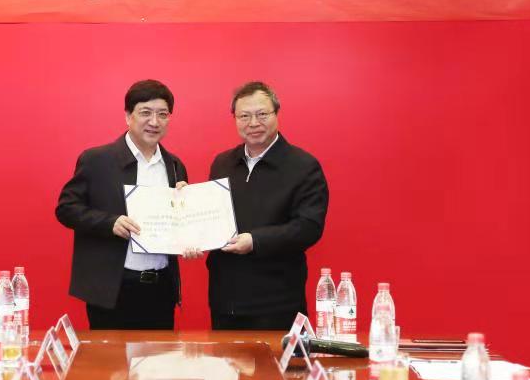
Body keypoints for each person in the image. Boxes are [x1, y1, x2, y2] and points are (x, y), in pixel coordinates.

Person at [56, 80, 188, 329]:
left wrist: (189, 221)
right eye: (145, 113)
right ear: (128, 116)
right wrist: (110, 223)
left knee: (159, 355)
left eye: (163, 114)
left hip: (161, 288)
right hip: (113, 289)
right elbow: (66, 209)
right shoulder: (97, 160)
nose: (154, 121)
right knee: (111, 355)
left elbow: (179, 225)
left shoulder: (174, 165)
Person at [206, 81, 329, 330]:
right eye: (244, 116)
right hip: (225, 301)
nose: (253, 123)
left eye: (262, 114)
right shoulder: (223, 163)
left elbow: (308, 227)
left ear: (276, 114)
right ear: (235, 118)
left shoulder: (303, 166)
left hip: (277, 303)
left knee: (276, 358)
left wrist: (255, 240)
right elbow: (210, 216)